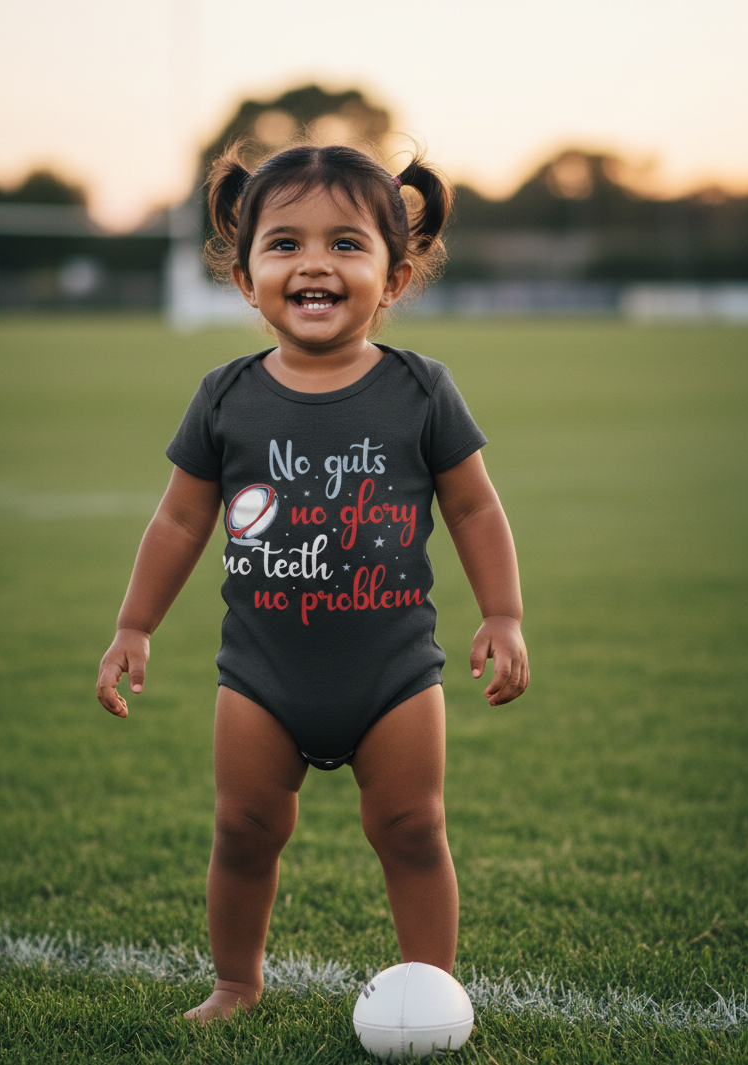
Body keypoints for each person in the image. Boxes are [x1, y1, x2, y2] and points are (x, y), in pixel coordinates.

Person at [96, 143, 529, 1023]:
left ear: (395, 276)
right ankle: (235, 983)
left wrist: (503, 612)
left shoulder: (420, 390)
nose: (314, 264)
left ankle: (430, 992)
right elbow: (180, 520)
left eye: (346, 244)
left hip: (393, 671)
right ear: (246, 278)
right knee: (243, 830)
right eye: (284, 244)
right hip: (261, 674)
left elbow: (475, 508)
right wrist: (134, 625)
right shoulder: (225, 397)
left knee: (412, 830)